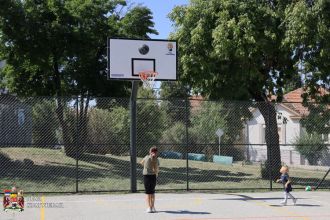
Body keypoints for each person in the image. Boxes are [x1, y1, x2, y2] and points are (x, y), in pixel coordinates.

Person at [140, 147, 159, 213]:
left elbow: (141, 163)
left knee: (148, 193)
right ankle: (153, 207)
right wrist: (156, 173)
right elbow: (156, 168)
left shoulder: (146, 157)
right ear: (156, 153)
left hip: (146, 176)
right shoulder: (157, 159)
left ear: (150, 151)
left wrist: (146, 168)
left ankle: (149, 208)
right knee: (152, 192)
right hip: (153, 176)